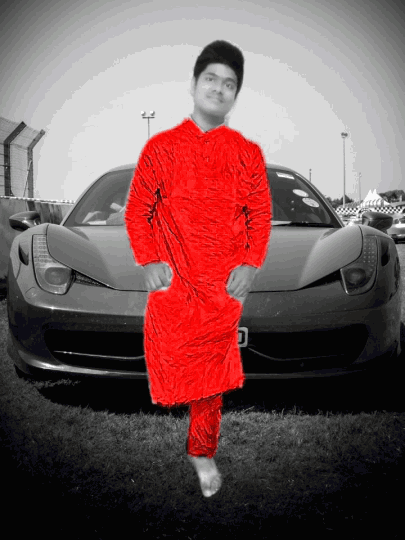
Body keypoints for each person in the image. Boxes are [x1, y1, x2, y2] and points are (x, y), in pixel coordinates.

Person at [124, 40, 272, 497]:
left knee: (212, 376)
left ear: (235, 96)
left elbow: (260, 215)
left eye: (229, 84)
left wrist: (250, 264)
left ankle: (202, 451)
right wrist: (149, 258)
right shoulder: (161, 148)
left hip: (221, 285)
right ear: (193, 84)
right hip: (174, 281)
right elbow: (137, 210)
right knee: (171, 364)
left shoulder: (247, 153)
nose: (219, 89)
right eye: (211, 79)